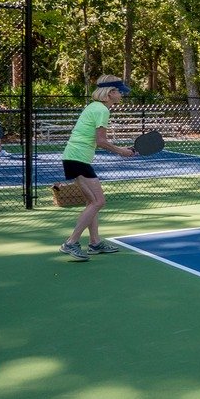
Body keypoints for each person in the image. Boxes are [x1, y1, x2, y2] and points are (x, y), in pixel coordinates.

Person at [58, 76, 137, 261]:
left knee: (91, 202)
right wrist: (122, 151)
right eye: (119, 92)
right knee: (98, 202)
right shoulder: (102, 109)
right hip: (77, 158)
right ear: (110, 93)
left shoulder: (94, 107)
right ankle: (70, 243)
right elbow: (101, 141)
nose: (121, 95)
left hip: (74, 157)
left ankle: (94, 243)